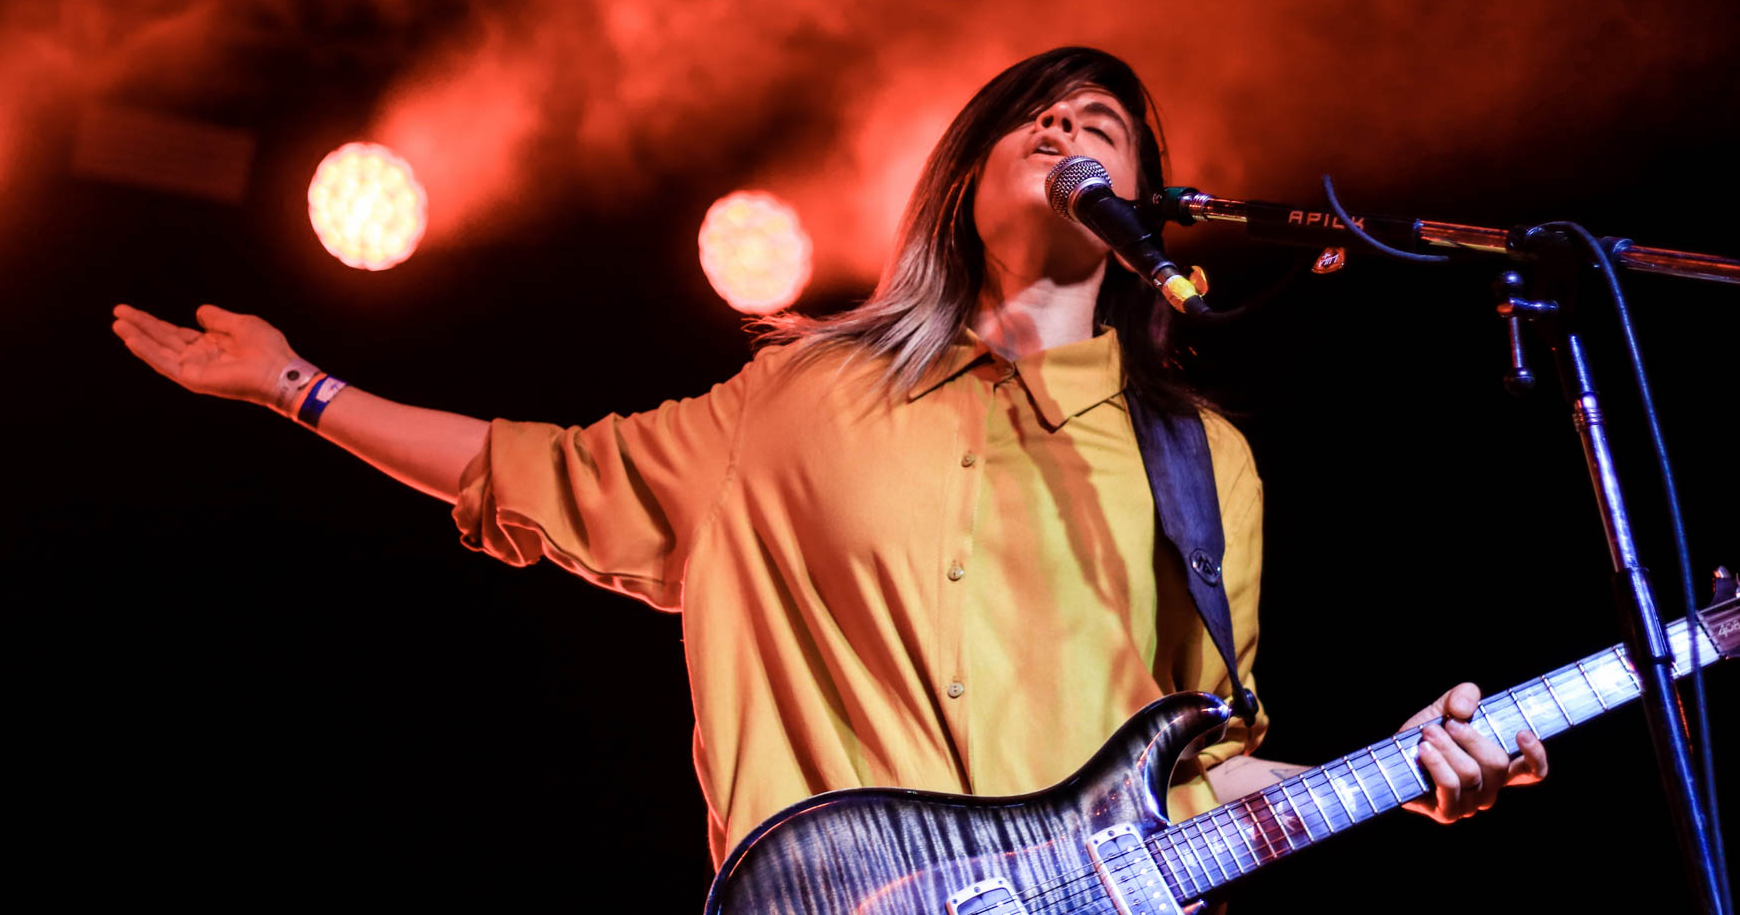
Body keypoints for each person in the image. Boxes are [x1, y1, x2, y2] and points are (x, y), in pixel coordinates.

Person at [111, 45, 1548, 876]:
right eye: (1032, 114)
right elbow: (532, 471)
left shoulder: (1202, 460)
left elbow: (1191, 780)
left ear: (1141, 205)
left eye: (1097, 124)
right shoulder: (799, 394)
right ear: (965, 180)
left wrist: (1404, 770)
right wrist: (293, 385)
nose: (1060, 125)